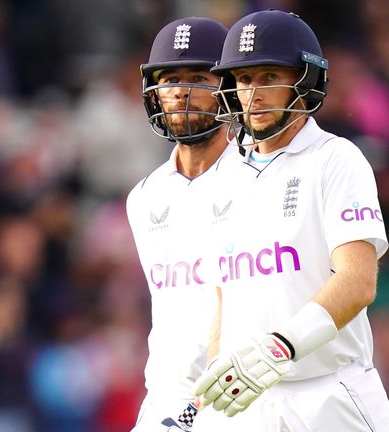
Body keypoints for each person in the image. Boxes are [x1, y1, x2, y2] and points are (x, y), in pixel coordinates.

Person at [191, 10, 389, 431]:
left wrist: (280, 347)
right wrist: (210, 391)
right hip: (247, 400)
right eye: (244, 80)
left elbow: (359, 280)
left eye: (269, 77)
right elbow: (224, 298)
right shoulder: (222, 177)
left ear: (304, 82)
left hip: (330, 398)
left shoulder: (336, 159)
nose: (254, 94)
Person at [126, 17, 234, 431]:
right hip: (166, 403)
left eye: (199, 78)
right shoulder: (144, 198)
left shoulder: (260, 181)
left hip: (242, 395)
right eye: (170, 78)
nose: (182, 91)